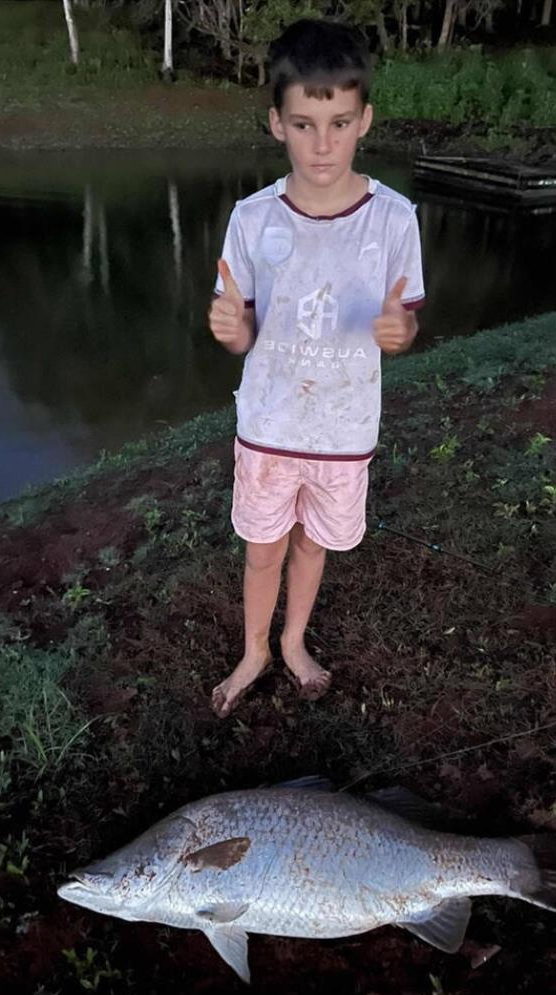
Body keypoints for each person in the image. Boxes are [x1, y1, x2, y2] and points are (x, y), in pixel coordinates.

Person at [208, 19, 425, 717]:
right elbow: (241, 325)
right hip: (269, 424)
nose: (322, 144)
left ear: (365, 118)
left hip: (342, 429)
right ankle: (255, 649)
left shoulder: (393, 219)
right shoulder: (250, 218)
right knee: (263, 548)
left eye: (338, 122)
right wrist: (231, 327)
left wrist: (401, 329)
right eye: (304, 124)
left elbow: (405, 319)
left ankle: (295, 640)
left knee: (310, 545)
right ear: (277, 124)